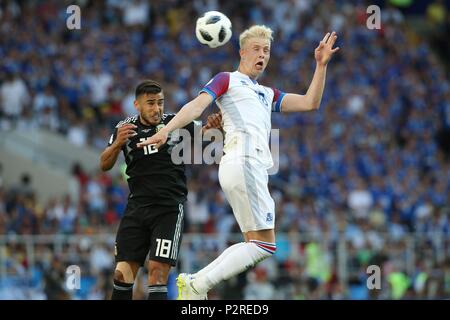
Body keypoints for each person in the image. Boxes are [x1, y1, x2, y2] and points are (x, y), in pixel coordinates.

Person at [138, 25, 339, 300]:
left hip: (245, 166)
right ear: (242, 52)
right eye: (256, 49)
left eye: (266, 50)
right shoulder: (227, 79)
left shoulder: (267, 93)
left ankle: (195, 283)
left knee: (253, 243)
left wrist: (321, 65)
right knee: (264, 246)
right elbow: (197, 106)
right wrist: (165, 131)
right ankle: (197, 284)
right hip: (243, 161)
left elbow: (309, 102)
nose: (262, 55)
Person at [100, 80, 222, 300]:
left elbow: (204, 134)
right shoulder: (125, 129)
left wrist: (213, 126)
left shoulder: (175, 123)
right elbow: (104, 164)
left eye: (160, 102)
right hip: (136, 209)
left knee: (157, 274)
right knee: (121, 275)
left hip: (167, 210)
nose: (157, 108)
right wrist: (117, 143)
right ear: (137, 105)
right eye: (151, 103)